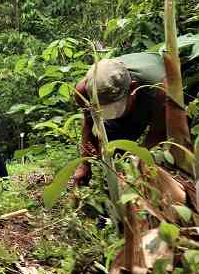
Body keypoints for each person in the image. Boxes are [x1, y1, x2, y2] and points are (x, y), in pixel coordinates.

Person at [71, 52, 167, 188]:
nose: (112, 114)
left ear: (132, 88)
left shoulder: (158, 89)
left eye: (115, 108)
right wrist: (85, 164)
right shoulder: (83, 91)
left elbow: (158, 134)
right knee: (110, 149)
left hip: (148, 96)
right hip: (130, 105)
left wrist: (135, 167)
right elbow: (89, 123)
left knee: (155, 160)